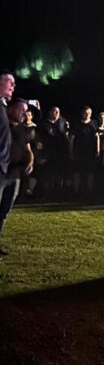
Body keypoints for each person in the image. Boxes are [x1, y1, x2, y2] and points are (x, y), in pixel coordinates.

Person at [0, 73, 18, 258]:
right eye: (10, 83)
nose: (13, 86)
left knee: (3, 208)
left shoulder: (4, 107)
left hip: (6, 168)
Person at [69, 106, 99, 198]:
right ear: (82, 113)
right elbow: (71, 139)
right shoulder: (77, 124)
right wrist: (71, 151)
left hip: (90, 152)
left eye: (89, 113)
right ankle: (76, 191)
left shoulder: (94, 123)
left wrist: (97, 149)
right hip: (78, 151)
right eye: (86, 113)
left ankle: (89, 191)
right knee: (77, 172)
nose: (87, 115)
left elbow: (97, 137)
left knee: (90, 172)